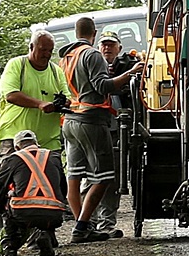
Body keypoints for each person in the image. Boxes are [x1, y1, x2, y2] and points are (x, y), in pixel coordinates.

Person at [57, 16, 141, 243]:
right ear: (94, 34)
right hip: (91, 121)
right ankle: (83, 227)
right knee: (104, 177)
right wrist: (130, 74)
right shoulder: (91, 54)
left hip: (70, 120)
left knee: (74, 176)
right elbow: (103, 86)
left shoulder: (66, 56)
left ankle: (81, 225)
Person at [0, 130, 68, 256]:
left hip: (23, 214)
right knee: (47, 204)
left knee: (10, 200)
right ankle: (46, 236)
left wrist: (2, 210)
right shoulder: (53, 156)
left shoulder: (13, 159)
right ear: (37, 144)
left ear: (16, 147)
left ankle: (10, 248)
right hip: (54, 215)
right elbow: (63, 188)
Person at [0, 31, 66, 150]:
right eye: (43, 50)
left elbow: (68, 97)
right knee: (14, 169)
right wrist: (40, 104)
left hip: (48, 141)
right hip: (16, 139)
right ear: (31, 47)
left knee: (52, 169)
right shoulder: (17, 65)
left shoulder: (56, 71)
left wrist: (62, 103)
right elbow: (11, 95)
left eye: (50, 50)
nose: (46, 54)